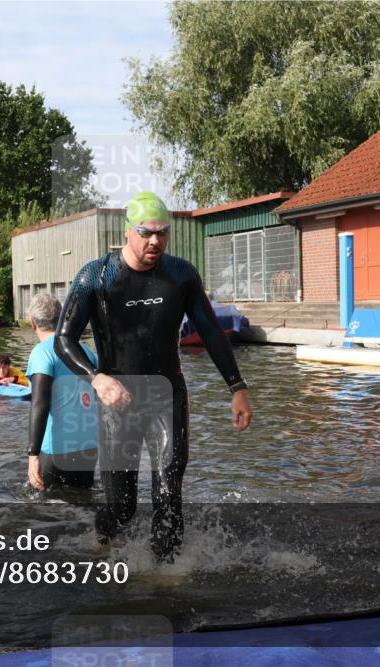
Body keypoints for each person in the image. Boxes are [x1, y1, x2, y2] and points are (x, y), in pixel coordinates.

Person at [56, 191, 253, 561]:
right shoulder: (95, 277)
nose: (155, 241)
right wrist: (97, 379)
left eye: (163, 233)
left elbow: (210, 331)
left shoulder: (180, 275)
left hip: (167, 394)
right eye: (146, 233)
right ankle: (102, 542)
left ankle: (165, 577)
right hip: (117, 399)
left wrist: (237, 388)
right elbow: (63, 340)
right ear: (126, 232)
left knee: (168, 492)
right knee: (122, 507)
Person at [25, 292, 98, 492]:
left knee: (49, 515)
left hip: (56, 450)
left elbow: (39, 403)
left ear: (33, 323)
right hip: (89, 447)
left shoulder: (42, 353)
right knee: (83, 507)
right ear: (60, 319)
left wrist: (33, 455)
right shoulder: (85, 350)